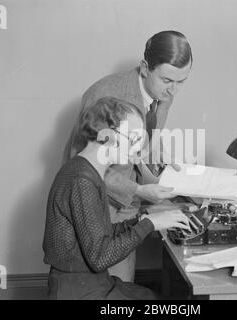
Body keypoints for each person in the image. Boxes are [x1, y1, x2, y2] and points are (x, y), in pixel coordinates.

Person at [63, 30, 193, 281]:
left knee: (123, 285)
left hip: (127, 203)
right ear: (145, 68)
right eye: (167, 81)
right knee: (110, 287)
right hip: (99, 204)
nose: (174, 91)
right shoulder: (105, 95)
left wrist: (161, 163)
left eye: (182, 81)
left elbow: (141, 143)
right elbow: (81, 162)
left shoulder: (162, 92)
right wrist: (138, 190)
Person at [43, 97, 190, 299]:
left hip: (87, 282)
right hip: (78, 290)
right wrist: (148, 224)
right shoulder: (81, 181)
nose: (137, 149)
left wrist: (140, 221)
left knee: (151, 295)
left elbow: (97, 232)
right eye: (133, 139)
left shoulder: (86, 170)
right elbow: (100, 257)